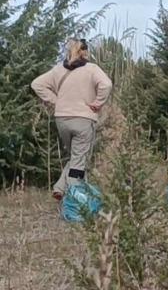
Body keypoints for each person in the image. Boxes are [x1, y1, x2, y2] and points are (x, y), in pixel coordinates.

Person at [31, 38, 113, 201]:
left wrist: (56, 101)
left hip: (61, 119)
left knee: (76, 156)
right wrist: (97, 103)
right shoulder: (92, 69)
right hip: (83, 119)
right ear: (85, 52)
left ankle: (60, 188)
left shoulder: (57, 70)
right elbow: (107, 84)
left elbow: (36, 84)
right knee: (79, 159)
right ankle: (75, 198)